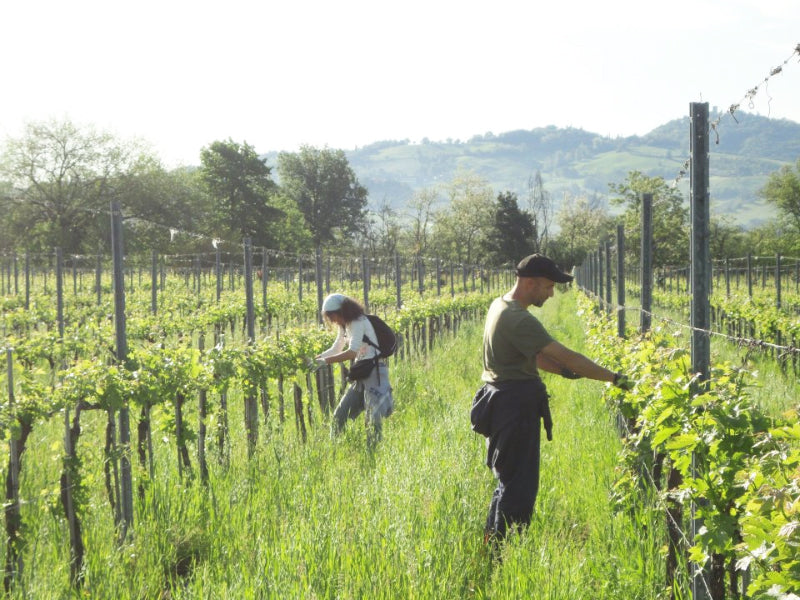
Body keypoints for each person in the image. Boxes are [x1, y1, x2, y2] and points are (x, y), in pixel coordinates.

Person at [473, 253, 633, 548]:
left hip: (500, 402)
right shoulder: (518, 318)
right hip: (514, 407)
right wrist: (615, 378)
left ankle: (492, 544)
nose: (551, 293)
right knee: (519, 487)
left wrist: (562, 372)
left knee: (507, 480)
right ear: (531, 283)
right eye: (548, 287)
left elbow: (535, 356)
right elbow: (566, 355)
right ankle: (507, 552)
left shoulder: (500, 305)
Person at [314, 293, 394, 445]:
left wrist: (326, 362)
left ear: (342, 311)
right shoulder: (345, 325)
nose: (332, 321)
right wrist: (318, 359)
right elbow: (337, 347)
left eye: (333, 316)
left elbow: (352, 351)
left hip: (375, 372)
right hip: (362, 373)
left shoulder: (358, 322)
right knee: (339, 416)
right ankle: (334, 449)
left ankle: (373, 450)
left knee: (373, 419)